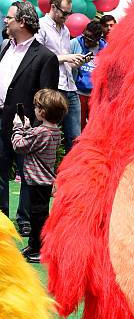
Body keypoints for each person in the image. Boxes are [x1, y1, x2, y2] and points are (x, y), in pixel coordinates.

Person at [0, 1, 59, 236]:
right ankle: (2, 215)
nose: (5, 20)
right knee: (0, 170)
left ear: (22, 22)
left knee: (28, 174)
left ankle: (23, 219)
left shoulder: (45, 57)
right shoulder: (5, 46)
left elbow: (46, 96)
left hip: (26, 126)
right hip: (1, 117)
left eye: (9, 17)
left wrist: (35, 129)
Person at [11, 88, 67, 263]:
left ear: (42, 111)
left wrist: (18, 128)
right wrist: (28, 128)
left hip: (37, 181)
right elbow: (34, 142)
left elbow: (19, 145)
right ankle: (34, 245)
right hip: (45, 181)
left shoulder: (40, 132)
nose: (34, 109)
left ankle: (41, 249)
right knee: (39, 214)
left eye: (36, 107)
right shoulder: (55, 131)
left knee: (38, 218)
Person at [36, 0, 85, 152]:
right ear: (53, 7)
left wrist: (76, 62)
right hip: (53, 87)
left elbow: (65, 60)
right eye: (64, 13)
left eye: (69, 14)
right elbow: (38, 57)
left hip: (70, 86)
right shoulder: (41, 26)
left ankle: (72, 172)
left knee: (75, 136)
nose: (67, 17)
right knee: (48, 133)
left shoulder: (65, 30)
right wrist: (67, 57)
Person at [71, 21, 107, 129]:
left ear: (98, 39)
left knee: (95, 127)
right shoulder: (75, 43)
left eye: (90, 39)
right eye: (85, 36)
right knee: (78, 127)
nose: (86, 41)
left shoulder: (105, 47)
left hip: (96, 95)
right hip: (78, 92)